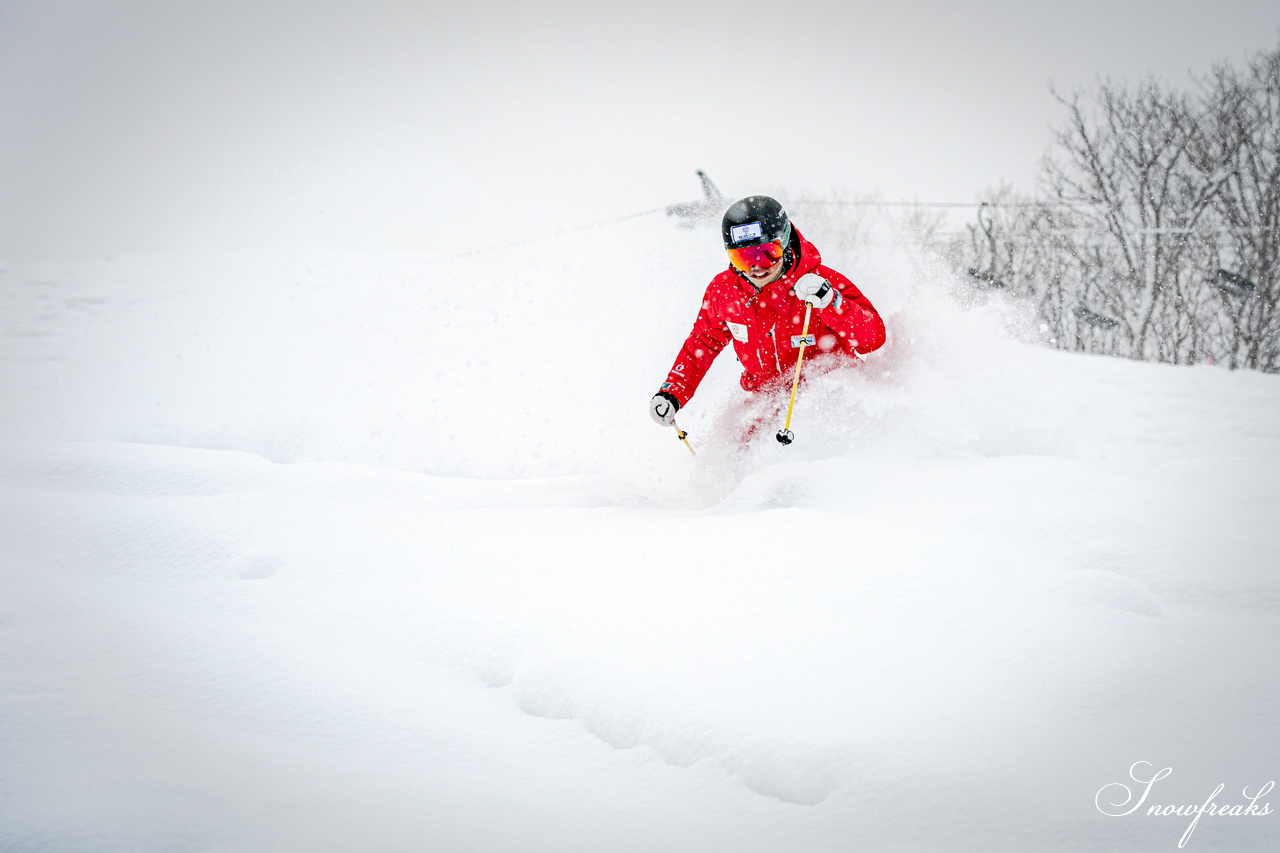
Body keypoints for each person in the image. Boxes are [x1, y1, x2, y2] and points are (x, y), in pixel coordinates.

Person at [648, 195, 886, 436]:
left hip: (832, 399)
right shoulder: (725, 292)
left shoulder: (820, 282)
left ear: (782, 242)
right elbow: (702, 344)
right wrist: (672, 392)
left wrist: (832, 302)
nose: (755, 268)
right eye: (742, 258)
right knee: (738, 451)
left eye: (766, 254)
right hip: (767, 402)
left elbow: (873, 338)